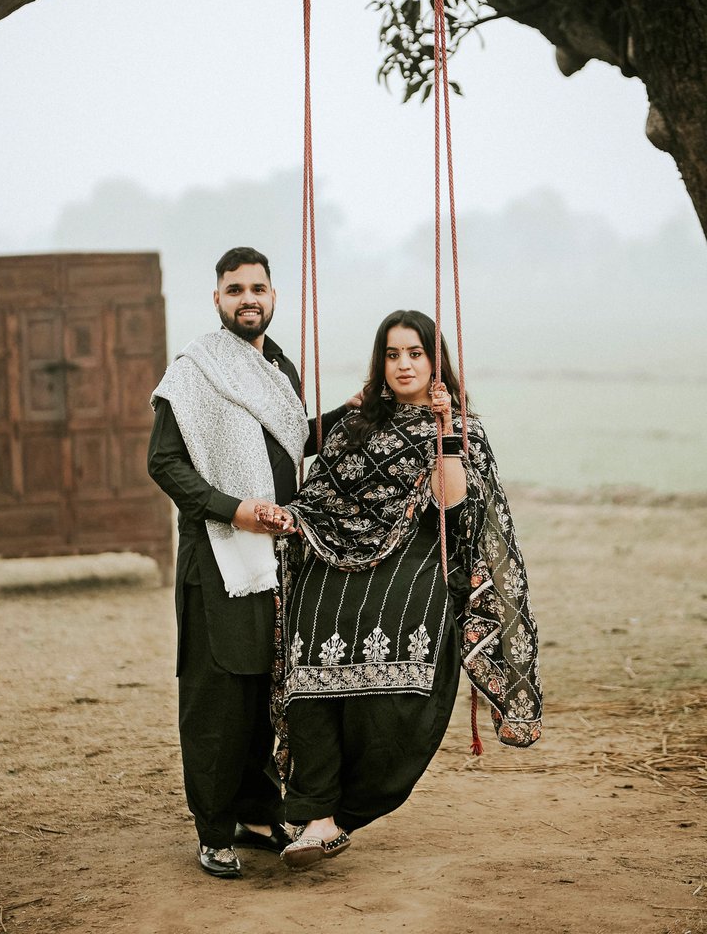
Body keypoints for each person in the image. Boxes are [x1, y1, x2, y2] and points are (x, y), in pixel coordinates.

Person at [256, 309, 542, 869]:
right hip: (336, 557)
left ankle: (347, 811)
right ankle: (316, 817)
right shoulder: (356, 426)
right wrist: (294, 520)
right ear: (379, 363)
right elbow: (323, 499)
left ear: (436, 362)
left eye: (415, 353)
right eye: (392, 355)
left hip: (415, 558)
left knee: (408, 627)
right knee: (312, 627)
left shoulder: (459, 426)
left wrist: (446, 434)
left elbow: (452, 505)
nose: (403, 365)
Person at [147, 247, 353, 879]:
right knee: (218, 694)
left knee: (267, 689)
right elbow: (165, 462)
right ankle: (212, 830)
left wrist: (358, 408)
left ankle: (255, 811)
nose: (248, 299)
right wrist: (233, 509)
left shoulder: (281, 368)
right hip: (216, 554)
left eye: (258, 288)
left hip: (278, 554)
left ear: (273, 294)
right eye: (234, 289)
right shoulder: (194, 370)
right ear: (217, 299)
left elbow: (293, 444)